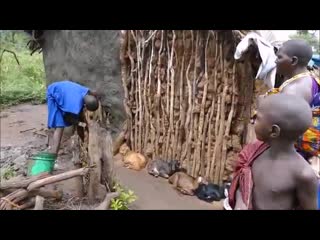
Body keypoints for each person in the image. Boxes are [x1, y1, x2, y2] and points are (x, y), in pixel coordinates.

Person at [228, 94, 318, 210]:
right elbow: (244, 181)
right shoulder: (255, 153)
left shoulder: (303, 174)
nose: (253, 120)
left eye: (258, 118)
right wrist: (241, 203)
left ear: (274, 131)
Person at [46, 80, 99, 157]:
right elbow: (69, 118)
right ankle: (53, 155)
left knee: (74, 119)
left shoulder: (86, 91)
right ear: (85, 105)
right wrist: (83, 125)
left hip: (63, 87)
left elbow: (95, 93)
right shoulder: (74, 106)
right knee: (59, 127)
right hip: (53, 93)